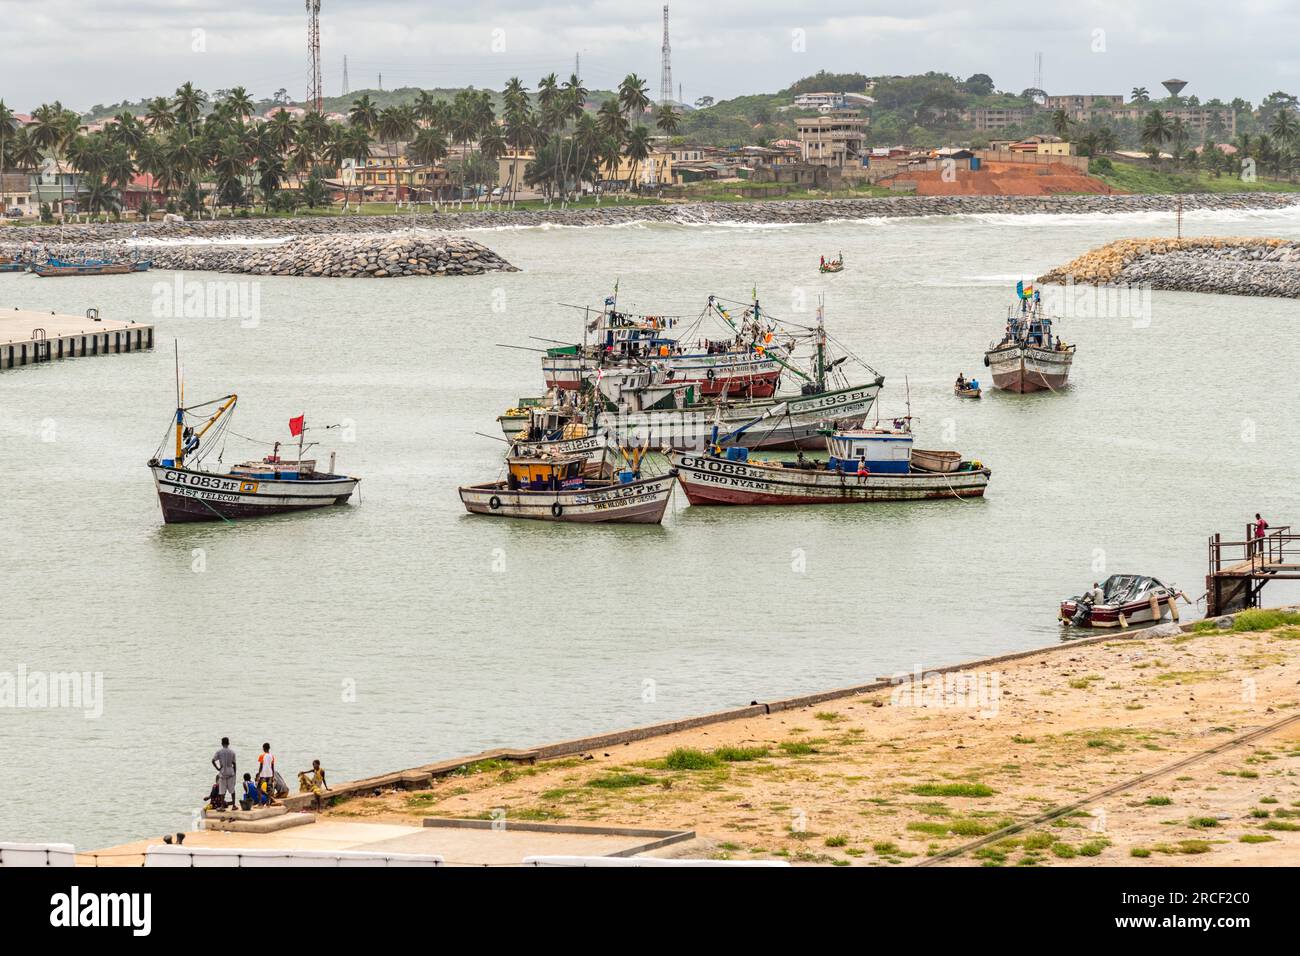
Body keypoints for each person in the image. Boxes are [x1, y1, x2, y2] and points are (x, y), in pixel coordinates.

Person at [211, 737, 237, 810]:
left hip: (222, 773)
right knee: (232, 790)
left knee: (222, 791)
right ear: (228, 743)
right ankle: (234, 805)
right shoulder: (232, 752)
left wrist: (218, 768)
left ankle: (222, 806)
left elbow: (213, 761)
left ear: (222, 743)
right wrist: (234, 773)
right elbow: (234, 764)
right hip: (230, 772)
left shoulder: (219, 752)